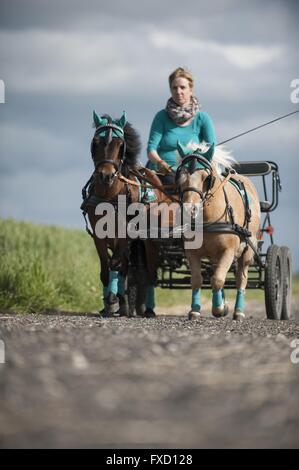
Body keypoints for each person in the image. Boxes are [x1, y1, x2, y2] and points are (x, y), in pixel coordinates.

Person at [146, 67, 217, 186]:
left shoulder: (203, 118)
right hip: (163, 175)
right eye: (174, 88)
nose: (178, 91)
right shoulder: (161, 116)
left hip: (192, 174)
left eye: (182, 87)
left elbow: (212, 150)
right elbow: (151, 149)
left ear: (191, 89)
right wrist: (160, 163)